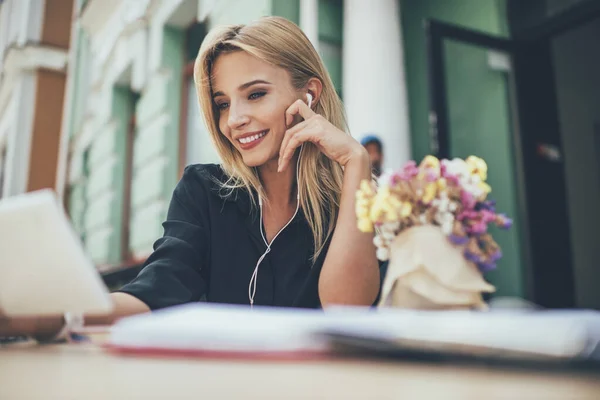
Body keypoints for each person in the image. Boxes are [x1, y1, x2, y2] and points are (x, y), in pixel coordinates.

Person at [0, 16, 383, 341]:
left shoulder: (352, 201)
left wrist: (356, 162)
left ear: (309, 95)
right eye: (222, 103)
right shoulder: (204, 190)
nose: (234, 120)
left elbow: (344, 308)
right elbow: (161, 286)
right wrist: (53, 314)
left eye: (255, 94)